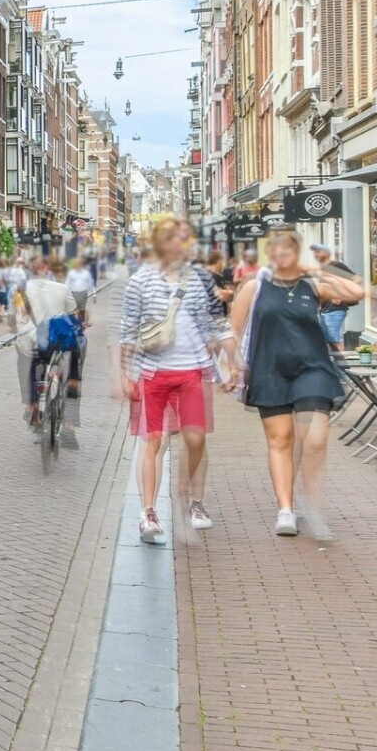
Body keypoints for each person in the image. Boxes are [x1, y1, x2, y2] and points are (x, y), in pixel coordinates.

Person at [231, 230, 365, 537]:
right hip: (270, 370)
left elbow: (356, 291)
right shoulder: (254, 287)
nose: (281, 256)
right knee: (280, 440)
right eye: (275, 251)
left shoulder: (313, 285)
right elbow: (234, 331)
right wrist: (233, 365)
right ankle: (286, 509)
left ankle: (311, 498)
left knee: (315, 438)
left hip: (312, 369)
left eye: (288, 250)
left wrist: (319, 269)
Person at [118, 218, 236, 543]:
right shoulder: (140, 281)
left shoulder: (199, 279)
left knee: (196, 439)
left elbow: (214, 323)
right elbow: (128, 329)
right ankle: (148, 512)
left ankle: (194, 500)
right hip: (153, 372)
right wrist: (124, 373)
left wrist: (233, 362)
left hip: (193, 372)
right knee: (153, 440)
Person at [14, 255, 83, 448]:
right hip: (57, 341)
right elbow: (74, 316)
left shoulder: (21, 290)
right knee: (74, 362)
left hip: (32, 341)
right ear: (47, 269)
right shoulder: (62, 288)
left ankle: (31, 406)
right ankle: (70, 424)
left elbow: (14, 317)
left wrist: (16, 328)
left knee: (27, 364)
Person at [308, 243, 356, 352]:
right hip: (326, 310)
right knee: (329, 340)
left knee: (333, 340)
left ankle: (342, 362)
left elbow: (355, 281)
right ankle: (337, 361)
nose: (316, 255)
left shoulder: (336, 266)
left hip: (334, 310)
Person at [66, 255, 95, 324]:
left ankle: (81, 323)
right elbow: (67, 283)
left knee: (82, 309)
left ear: (82, 264)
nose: (78, 265)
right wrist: (67, 294)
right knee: (73, 310)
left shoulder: (86, 273)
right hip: (73, 293)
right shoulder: (71, 273)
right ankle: (75, 323)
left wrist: (94, 294)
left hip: (83, 293)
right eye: (77, 264)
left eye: (80, 264)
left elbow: (91, 283)